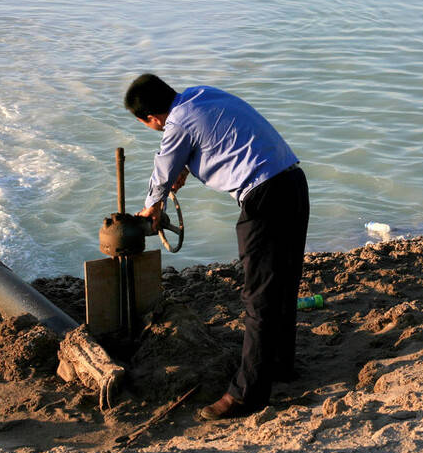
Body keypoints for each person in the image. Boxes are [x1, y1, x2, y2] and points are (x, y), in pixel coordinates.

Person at [124, 73, 310, 421]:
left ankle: (246, 395)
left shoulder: (175, 122)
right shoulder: (201, 95)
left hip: (264, 198)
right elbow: (214, 142)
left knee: (259, 298)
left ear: (150, 118)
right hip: (292, 182)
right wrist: (187, 166)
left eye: (148, 125)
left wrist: (152, 206)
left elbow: (164, 166)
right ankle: (281, 367)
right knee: (282, 285)